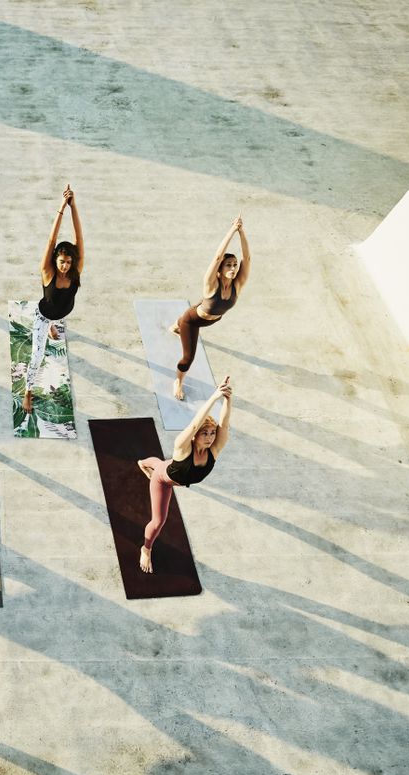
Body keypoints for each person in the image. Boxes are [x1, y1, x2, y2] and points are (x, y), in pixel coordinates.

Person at [137, 377, 233, 572]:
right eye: (205, 433)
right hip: (164, 481)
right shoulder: (183, 446)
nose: (209, 438)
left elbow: (224, 424)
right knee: (158, 521)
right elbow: (194, 424)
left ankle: (143, 463)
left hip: (174, 470)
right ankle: (146, 549)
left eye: (212, 433)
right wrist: (213, 399)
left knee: (161, 463)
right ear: (196, 435)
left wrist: (227, 399)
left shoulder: (213, 451)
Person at [170, 216, 250, 400]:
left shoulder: (237, 285)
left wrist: (242, 231)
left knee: (198, 309)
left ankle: (176, 325)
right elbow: (217, 256)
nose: (233, 268)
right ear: (220, 269)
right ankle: (178, 382)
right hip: (193, 321)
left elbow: (247, 257)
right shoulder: (210, 284)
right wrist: (231, 230)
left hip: (210, 317)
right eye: (228, 265)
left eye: (235, 265)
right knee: (188, 358)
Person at [24, 184, 83, 411]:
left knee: (57, 317)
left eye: (69, 262)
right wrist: (62, 206)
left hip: (61, 312)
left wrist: (74, 206)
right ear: (55, 260)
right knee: (37, 356)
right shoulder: (47, 271)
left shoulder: (76, 270)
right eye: (62, 262)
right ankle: (27, 392)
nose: (66, 266)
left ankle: (53, 325)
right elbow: (51, 240)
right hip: (43, 314)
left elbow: (79, 237)